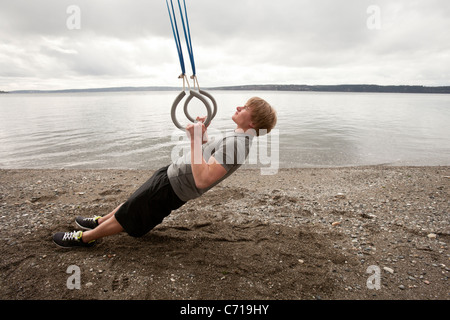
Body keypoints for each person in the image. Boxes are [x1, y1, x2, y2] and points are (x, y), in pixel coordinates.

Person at [53, 97, 277, 248]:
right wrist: (203, 136)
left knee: (133, 213)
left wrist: (195, 139)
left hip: (176, 187)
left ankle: (86, 238)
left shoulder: (238, 144)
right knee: (134, 201)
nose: (239, 107)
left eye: (246, 108)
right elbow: (208, 156)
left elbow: (203, 179)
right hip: (172, 174)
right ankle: (100, 221)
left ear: (254, 121)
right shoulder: (236, 138)